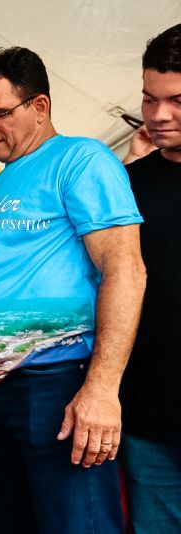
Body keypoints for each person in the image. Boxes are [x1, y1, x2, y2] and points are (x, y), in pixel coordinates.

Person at [0, 46, 146, 533]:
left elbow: (125, 267)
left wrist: (100, 390)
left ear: (39, 107)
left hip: (55, 383)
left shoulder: (81, 158)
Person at [119, 24, 181, 532]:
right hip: (149, 427)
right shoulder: (127, 187)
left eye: (177, 100)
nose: (159, 115)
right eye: (149, 98)